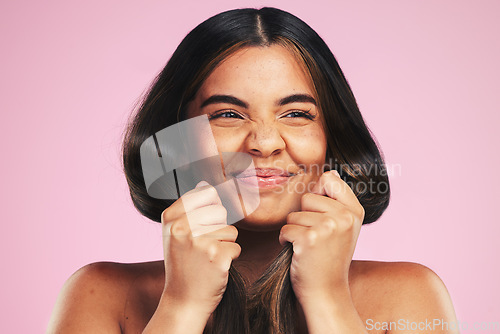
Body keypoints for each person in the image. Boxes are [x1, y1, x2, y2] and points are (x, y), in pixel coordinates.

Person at [47, 7, 458, 334]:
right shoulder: (99, 296)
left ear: (331, 139)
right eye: (228, 114)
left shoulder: (410, 297)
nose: (264, 142)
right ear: (177, 139)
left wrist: (327, 298)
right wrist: (181, 306)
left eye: (296, 114)